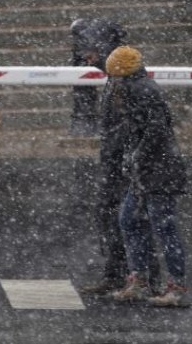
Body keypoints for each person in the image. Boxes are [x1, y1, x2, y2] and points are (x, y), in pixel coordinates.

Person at [75, 19, 160, 296]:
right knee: (112, 216)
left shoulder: (127, 81)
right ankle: (120, 273)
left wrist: (127, 157)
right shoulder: (117, 77)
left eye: (90, 51)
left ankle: (141, 277)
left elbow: (144, 126)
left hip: (126, 163)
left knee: (130, 218)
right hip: (119, 161)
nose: (86, 57)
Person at [105, 46, 190, 308]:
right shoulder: (132, 88)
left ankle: (175, 286)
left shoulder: (141, 90)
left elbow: (155, 130)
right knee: (130, 220)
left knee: (164, 227)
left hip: (158, 172)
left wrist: (137, 155)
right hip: (147, 171)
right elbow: (138, 130)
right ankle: (139, 279)